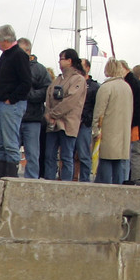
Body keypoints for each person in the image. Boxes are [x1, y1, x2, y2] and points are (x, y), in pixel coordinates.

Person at [0, 23, 32, 178]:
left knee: (10, 144)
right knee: (1, 144)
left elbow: (26, 82)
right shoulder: (6, 55)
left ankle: (11, 178)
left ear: (5, 40)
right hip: (1, 103)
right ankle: (1, 177)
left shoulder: (18, 55)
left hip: (11, 105)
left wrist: (11, 99)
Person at [44, 48, 87, 182]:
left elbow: (70, 101)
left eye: (62, 59)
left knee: (67, 156)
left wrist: (54, 114)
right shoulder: (57, 79)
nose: (59, 62)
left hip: (68, 124)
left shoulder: (78, 80)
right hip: (53, 125)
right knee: (49, 155)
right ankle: (49, 182)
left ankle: (66, 184)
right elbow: (48, 97)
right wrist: (49, 115)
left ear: (69, 61)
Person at [91, 58, 134, 184]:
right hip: (123, 135)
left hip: (107, 133)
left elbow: (99, 112)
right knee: (119, 169)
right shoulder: (127, 87)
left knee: (105, 168)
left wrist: (95, 130)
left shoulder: (106, 87)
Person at [20, 40, 50, 178]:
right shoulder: (13, 66)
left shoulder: (40, 69)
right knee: (10, 150)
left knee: (32, 153)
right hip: (15, 116)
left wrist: (28, 95)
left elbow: (47, 91)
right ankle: (10, 177)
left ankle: (31, 180)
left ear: (28, 51)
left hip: (33, 118)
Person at [76, 57, 99, 181]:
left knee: (84, 154)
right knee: (68, 154)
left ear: (88, 68)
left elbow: (97, 107)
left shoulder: (94, 87)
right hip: (71, 123)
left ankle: (85, 180)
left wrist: (89, 120)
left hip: (85, 124)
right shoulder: (73, 83)